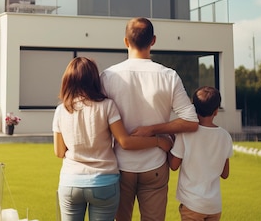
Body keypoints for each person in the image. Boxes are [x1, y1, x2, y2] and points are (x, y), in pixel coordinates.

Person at [100, 17, 199, 221]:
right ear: (153, 40)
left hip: (118, 165)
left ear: (126, 41)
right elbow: (191, 121)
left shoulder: (108, 76)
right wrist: (153, 129)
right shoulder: (169, 76)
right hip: (155, 164)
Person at [53, 57, 173, 221]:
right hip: (104, 182)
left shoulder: (61, 110)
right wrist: (159, 141)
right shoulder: (107, 106)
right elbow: (125, 142)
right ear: (94, 79)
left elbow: (59, 152)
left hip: (70, 181)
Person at [168, 86, 233, 221]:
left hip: (192, 205)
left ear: (193, 108)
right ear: (216, 111)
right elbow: (225, 174)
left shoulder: (185, 133)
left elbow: (173, 165)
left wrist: (169, 142)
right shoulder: (225, 136)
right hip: (214, 206)